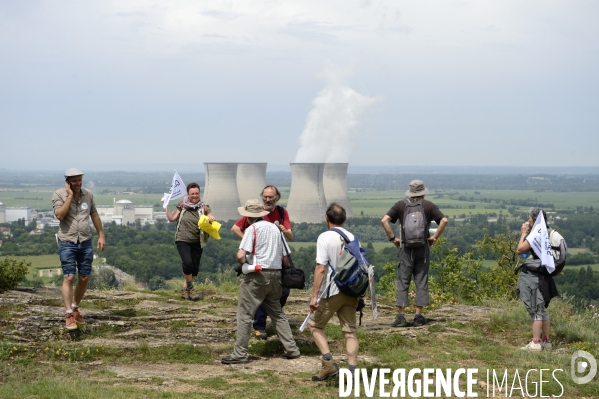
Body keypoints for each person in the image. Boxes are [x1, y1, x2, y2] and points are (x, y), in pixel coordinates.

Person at [221, 199, 300, 364]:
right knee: (277, 313)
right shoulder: (276, 229)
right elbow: (286, 257)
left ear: (248, 216)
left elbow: (241, 255)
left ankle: (240, 354)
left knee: (244, 314)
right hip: (276, 275)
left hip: (257, 275)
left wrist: (244, 266)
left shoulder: (252, 229)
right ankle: (292, 349)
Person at [381, 180, 448, 327]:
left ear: (410, 192)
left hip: (405, 248)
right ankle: (418, 316)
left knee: (403, 281)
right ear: (423, 192)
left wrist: (393, 239)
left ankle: (401, 316)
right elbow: (444, 220)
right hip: (422, 248)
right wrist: (434, 237)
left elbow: (384, 220)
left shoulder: (400, 205)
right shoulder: (428, 205)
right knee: (421, 281)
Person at [231, 185, 293, 340]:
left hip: (278, 260)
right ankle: (259, 327)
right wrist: (250, 244)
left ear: (277, 197)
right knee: (261, 293)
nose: (267, 199)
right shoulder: (255, 212)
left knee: (284, 292)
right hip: (261, 262)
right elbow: (235, 228)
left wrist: (283, 231)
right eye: (265, 196)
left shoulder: (281, 212)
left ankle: (269, 317)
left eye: (270, 197)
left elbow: (290, 236)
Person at [308, 203, 358, 382]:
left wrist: (315, 296)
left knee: (314, 325)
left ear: (327, 219)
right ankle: (352, 371)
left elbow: (320, 267)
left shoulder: (324, 237)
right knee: (349, 332)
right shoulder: (351, 236)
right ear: (343, 219)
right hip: (352, 290)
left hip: (333, 289)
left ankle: (329, 363)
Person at [52, 168, 106, 331]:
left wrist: (101, 235)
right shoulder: (58, 194)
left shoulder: (88, 195)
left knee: (84, 277)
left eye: (79, 180)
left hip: (85, 241)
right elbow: (60, 215)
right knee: (69, 277)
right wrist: (69, 196)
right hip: (67, 241)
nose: (77, 183)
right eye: (74, 180)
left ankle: (75, 307)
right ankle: (68, 314)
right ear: (68, 181)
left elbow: (94, 214)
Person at [516, 207, 559, 351]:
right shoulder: (547, 232)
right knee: (543, 310)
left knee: (535, 310)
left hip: (535, 278)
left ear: (534, 220)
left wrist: (523, 233)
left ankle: (535, 343)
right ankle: (546, 341)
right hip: (544, 275)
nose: (527, 222)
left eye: (529, 220)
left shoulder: (536, 233)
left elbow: (520, 250)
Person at [166, 182, 215, 301]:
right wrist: (166, 206)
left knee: (194, 269)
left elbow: (212, 218)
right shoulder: (182, 205)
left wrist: (211, 219)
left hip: (198, 240)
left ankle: (185, 291)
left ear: (200, 193)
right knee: (187, 263)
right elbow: (172, 218)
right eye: (192, 193)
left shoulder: (204, 207)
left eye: (197, 193)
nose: (195, 196)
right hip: (182, 239)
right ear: (188, 194)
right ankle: (190, 288)